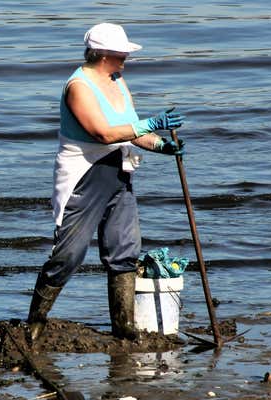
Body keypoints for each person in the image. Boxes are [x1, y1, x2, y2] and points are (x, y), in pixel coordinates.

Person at [27, 23, 185, 341]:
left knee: (124, 248)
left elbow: (129, 128)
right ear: (103, 54)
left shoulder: (117, 80)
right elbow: (103, 133)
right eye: (122, 52)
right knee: (69, 255)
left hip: (118, 173)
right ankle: (35, 323)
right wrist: (152, 122)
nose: (126, 56)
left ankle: (123, 328)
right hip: (84, 177)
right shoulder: (79, 87)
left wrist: (160, 145)